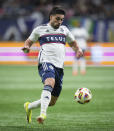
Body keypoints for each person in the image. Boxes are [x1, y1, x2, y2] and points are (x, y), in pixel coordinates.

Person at [22, 6, 83, 124]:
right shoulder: (40, 29)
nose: (59, 22)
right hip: (45, 62)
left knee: (52, 101)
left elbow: (73, 43)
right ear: (51, 17)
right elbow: (29, 41)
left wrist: (78, 50)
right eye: (57, 19)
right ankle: (42, 114)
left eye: (62, 20)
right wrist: (27, 47)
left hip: (59, 67)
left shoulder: (64, 30)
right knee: (49, 82)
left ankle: (29, 107)